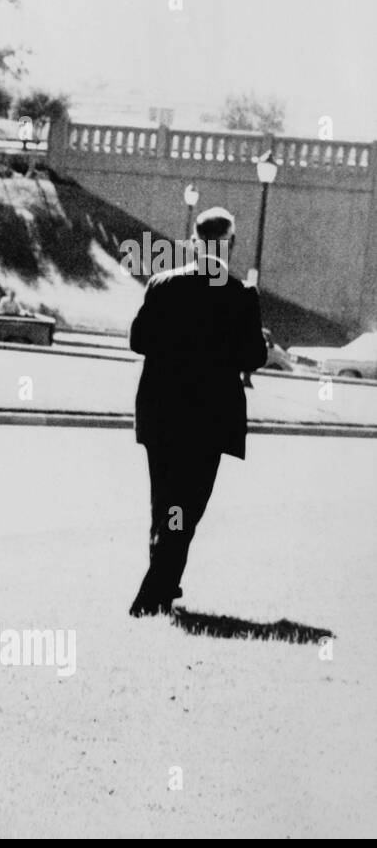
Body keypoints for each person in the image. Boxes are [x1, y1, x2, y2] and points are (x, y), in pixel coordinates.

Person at [127, 206, 267, 617]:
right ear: (231, 244)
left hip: (161, 412)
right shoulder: (240, 294)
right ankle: (153, 592)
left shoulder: (162, 284)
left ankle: (164, 583)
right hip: (208, 417)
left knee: (165, 504)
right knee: (186, 507)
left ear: (193, 241)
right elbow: (254, 356)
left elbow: (138, 341)